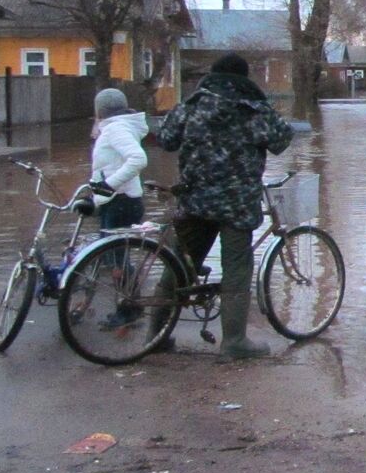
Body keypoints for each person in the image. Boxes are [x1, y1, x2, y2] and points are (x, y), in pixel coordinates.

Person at [159, 52, 294, 359]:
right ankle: (233, 341)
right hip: (237, 204)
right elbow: (282, 140)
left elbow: (165, 139)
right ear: (244, 78)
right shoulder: (253, 110)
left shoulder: (192, 106)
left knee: (179, 265)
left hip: (194, 200)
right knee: (236, 268)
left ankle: (157, 335)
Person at [88, 88, 149, 230]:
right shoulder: (118, 127)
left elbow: (138, 158)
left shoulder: (116, 128)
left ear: (100, 110)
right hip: (117, 199)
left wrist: (109, 185)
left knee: (111, 251)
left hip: (120, 201)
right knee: (108, 250)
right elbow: (110, 165)